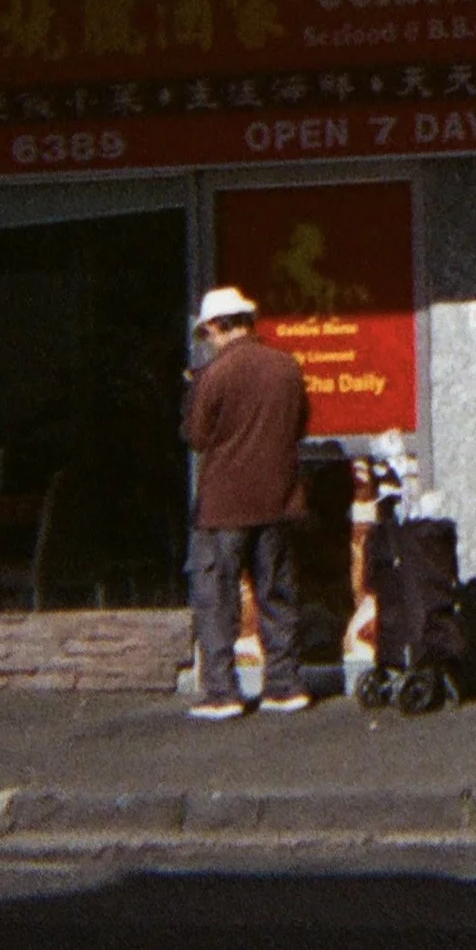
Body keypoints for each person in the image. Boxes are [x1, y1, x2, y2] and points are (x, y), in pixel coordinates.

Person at [181, 281, 312, 720]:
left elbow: (196, 437)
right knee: (276, 591)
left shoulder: (214, 375)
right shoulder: (286, 367)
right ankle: (285, 684)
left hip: (224, 505)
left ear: (220, 326)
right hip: (278, 498)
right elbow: (300, 426)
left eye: (208, 333)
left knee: (217, 595)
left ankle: (221, 691)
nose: (208, 341)